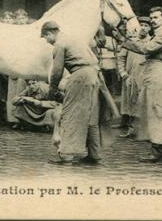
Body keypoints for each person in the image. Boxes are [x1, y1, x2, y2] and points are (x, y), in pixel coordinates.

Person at [42, 21, 115, 165]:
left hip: (80, 76)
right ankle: (94, 154)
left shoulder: (59, 44)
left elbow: (57, 71)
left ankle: (66, 154)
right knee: (91, 116)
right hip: (94, 75)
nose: (46, 41)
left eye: (45, 38)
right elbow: (93, 59)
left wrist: (52, 89)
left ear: (49, 33)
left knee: (70, 113)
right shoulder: (74, 39)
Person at [113, 6, 162, 163]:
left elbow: (145, 48)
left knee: (158, 112)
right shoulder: (159, 34)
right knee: (157, 111)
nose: (153, 20)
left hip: (158, 74)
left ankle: (159, 151)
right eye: (152, 17)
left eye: (156, 17)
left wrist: (123, 41)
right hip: (154, 73)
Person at [116, 16, 151, 138]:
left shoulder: (152, 42)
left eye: (146, 25)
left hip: (145, 76)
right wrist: (123, 73)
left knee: (144, 102)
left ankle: (144, 131)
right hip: (131, 76)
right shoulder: (131, 42)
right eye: (141, 24)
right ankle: (131, 128)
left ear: (150, 28)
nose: (143, 28)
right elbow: (121, 58)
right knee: (131, 102)